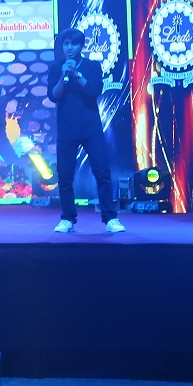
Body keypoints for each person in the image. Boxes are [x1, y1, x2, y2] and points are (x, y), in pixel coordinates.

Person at [48, 27, 124, 234]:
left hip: (91, 128)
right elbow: (53, 96)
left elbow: (94, 91)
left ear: (81, 46)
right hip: (66, 129)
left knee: (102, 173)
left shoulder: (92, 66)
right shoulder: (56, 68)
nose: (69, 48)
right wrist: (64, 76)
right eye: (66, 44)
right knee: (65, 177)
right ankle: (68, 218)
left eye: (74, 44)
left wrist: (76, 74)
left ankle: (110, 218)